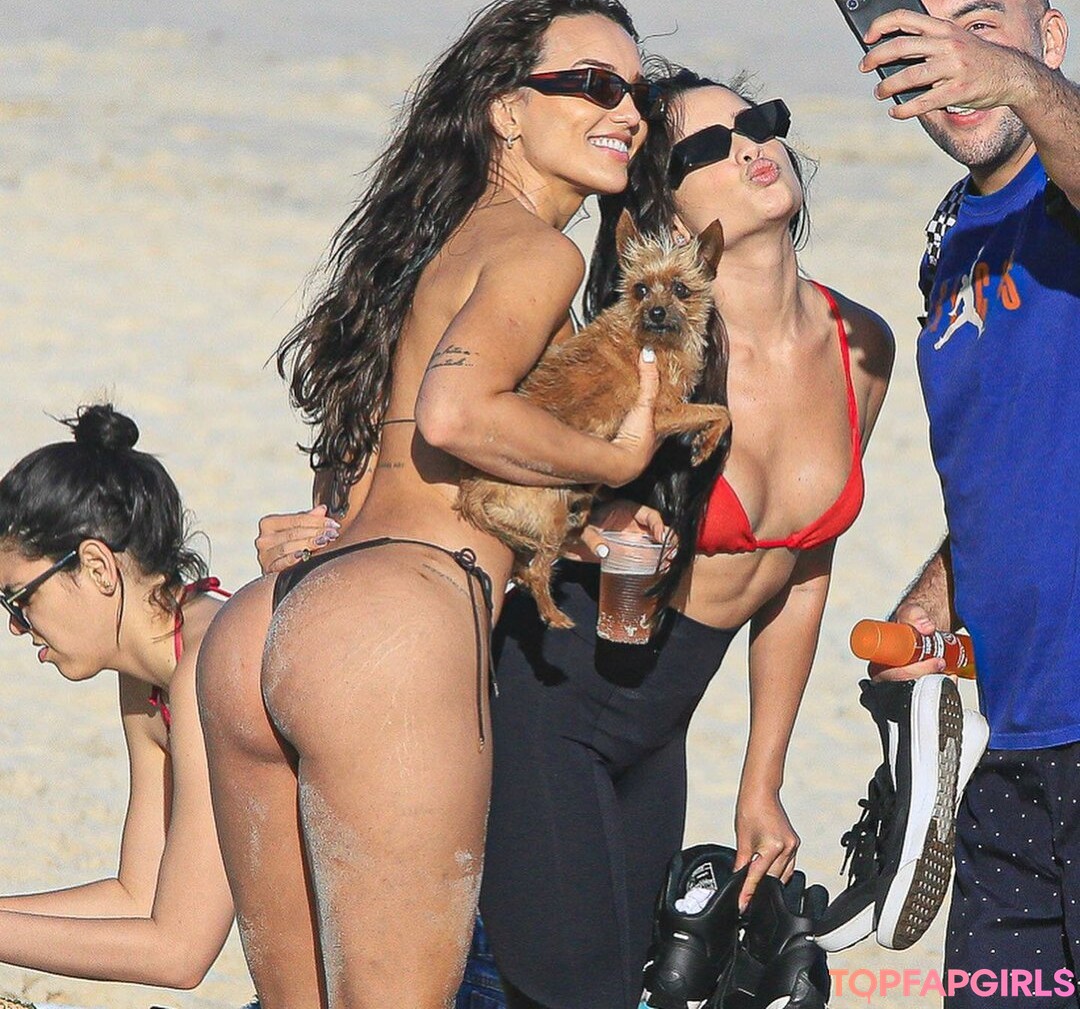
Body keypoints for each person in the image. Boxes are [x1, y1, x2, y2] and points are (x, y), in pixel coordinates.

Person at [258, 67, 895, 1009]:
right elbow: (463, 430)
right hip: (551, 700)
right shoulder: (633, 353)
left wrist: (762, 779)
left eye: (762, 122)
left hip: (661, 728)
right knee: (570, 989)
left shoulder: (860, 347)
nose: (752, 146)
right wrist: (338, 529)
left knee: (609, 983)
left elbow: (803, 568)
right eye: (710, 145)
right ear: (663, 209)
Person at [194, 1, 666, 1006]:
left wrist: (575, 531)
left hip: (272, 622)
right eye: (593, 85)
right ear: (506, 110)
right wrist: (615, 455)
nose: (627, 111)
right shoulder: (540, 251)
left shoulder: (421, 251)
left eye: (638, 94)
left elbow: (393, 451)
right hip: (394, 629)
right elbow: (457, 413)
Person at [851, 1, 1080, 1004]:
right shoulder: (952, 241)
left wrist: (1018, 84)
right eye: (926, 37)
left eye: (981, 24)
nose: (953, 58)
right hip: (1006, 748)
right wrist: (934, 601)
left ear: (1051, 39)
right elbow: (1017, 460)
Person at [0, 404, 234, 989]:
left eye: (19, 598)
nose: (16, 626)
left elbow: (179, 952)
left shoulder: (207, 667)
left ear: (97, 566)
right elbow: (138, 896)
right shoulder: (149, 677)